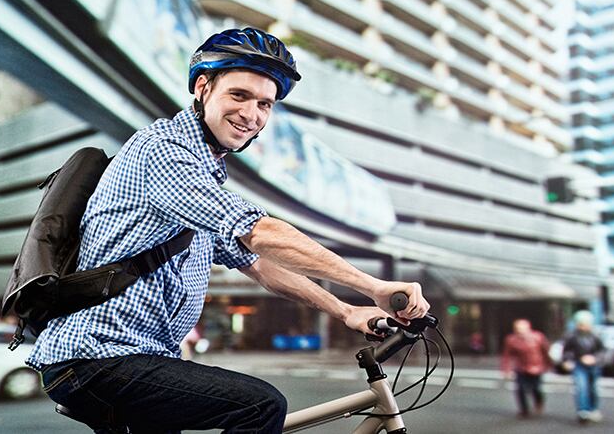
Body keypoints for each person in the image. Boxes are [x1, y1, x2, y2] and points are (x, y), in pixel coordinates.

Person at [28, 28, 431, 434]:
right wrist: (371, 285)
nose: (252, 114)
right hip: (98, 357)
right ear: (203, 87)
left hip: (135, 358)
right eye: (238, 96)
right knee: (258, 407)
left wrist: (346, 311)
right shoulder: (164, 152)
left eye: (264, 104)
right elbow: (259, 233)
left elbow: (259, 264)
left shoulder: (201, 176)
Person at [500, 319, 551, 418]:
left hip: (537, 367)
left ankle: (539, 401)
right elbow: (507, 356)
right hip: (521, 368)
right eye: (518, 329)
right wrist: (506, 370)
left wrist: (549, 365)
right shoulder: (511, 340)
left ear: (528, 328)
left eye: (523, 329)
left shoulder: (538, 337)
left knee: (536, 388)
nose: (520, 331)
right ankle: (524, 410)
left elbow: (545, 351)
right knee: (520, 389)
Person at [562, 310, 604, 424]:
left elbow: (602, 351)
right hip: (579, 365)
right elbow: (567, 351)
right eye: (580, 324)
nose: (583, 326)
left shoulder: (596, 336)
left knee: (593, 388)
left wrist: (595, 358)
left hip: (593, 366)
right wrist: (567, 361)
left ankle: (593, 408)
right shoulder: (571, 336)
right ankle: (583, 411)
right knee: (581, 387)